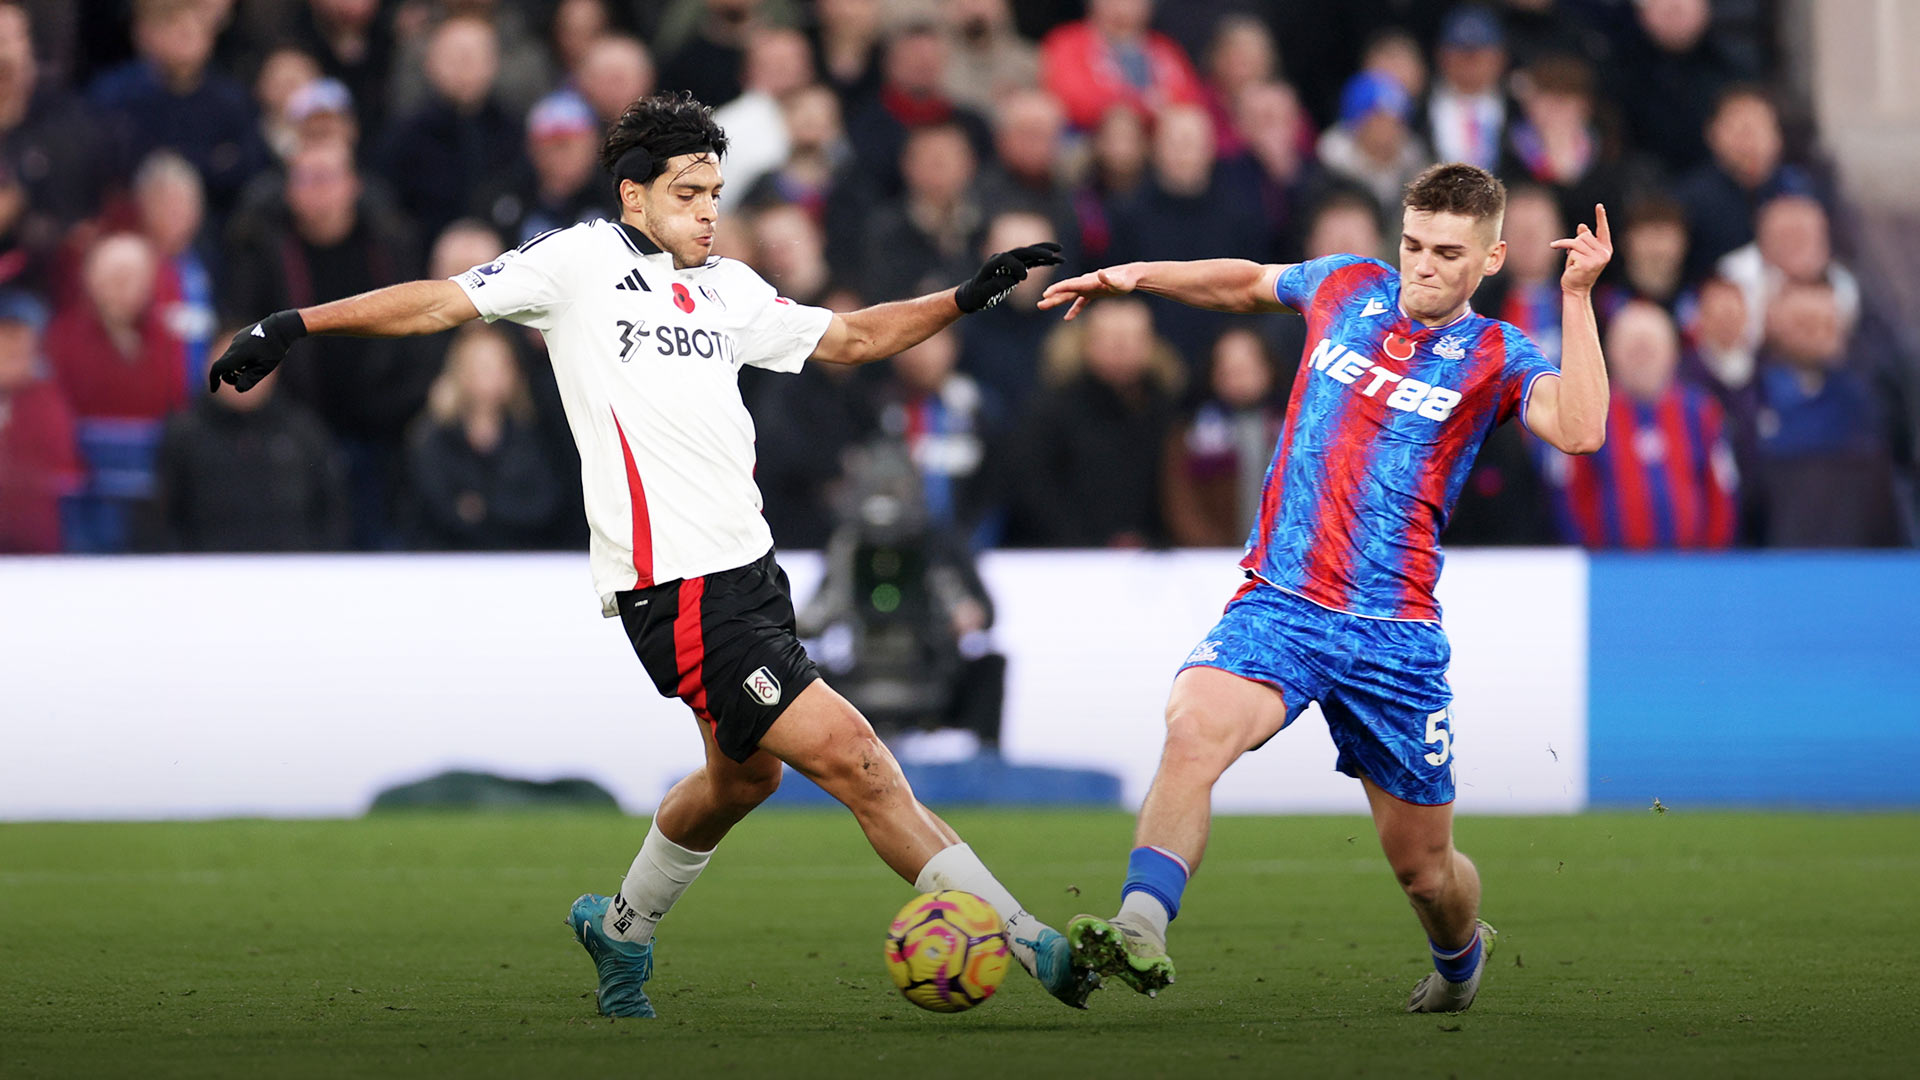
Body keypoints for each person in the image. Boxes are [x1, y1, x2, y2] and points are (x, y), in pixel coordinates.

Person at [206, 91, 1094, 1018]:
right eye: (687, 193)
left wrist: (965, 295)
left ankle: (620, 926)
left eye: (715, 191)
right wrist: (294, 323)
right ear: (634, 198)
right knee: (860, 761)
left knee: (743, 778)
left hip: (751, 575)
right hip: (676, 590)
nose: (709, 210)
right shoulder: (578, 263)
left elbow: (857, 336)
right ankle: (1026, 939)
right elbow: (440, 304)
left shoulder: (730, 287)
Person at [1037, 163, 1612, 1012]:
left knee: (1424, 870)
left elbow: (1582, 427)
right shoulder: (1347, 284)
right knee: (1193, 731)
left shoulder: (1496, 355)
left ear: (1490, 259)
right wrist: (1138, 275)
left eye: (1447, 253)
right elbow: (1244, 284)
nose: (1422, 265)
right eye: (1413, 244)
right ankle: (1140, 924)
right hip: (1280, 602)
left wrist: (1577, 297)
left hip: (1394, 634)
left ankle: (1459, 961)